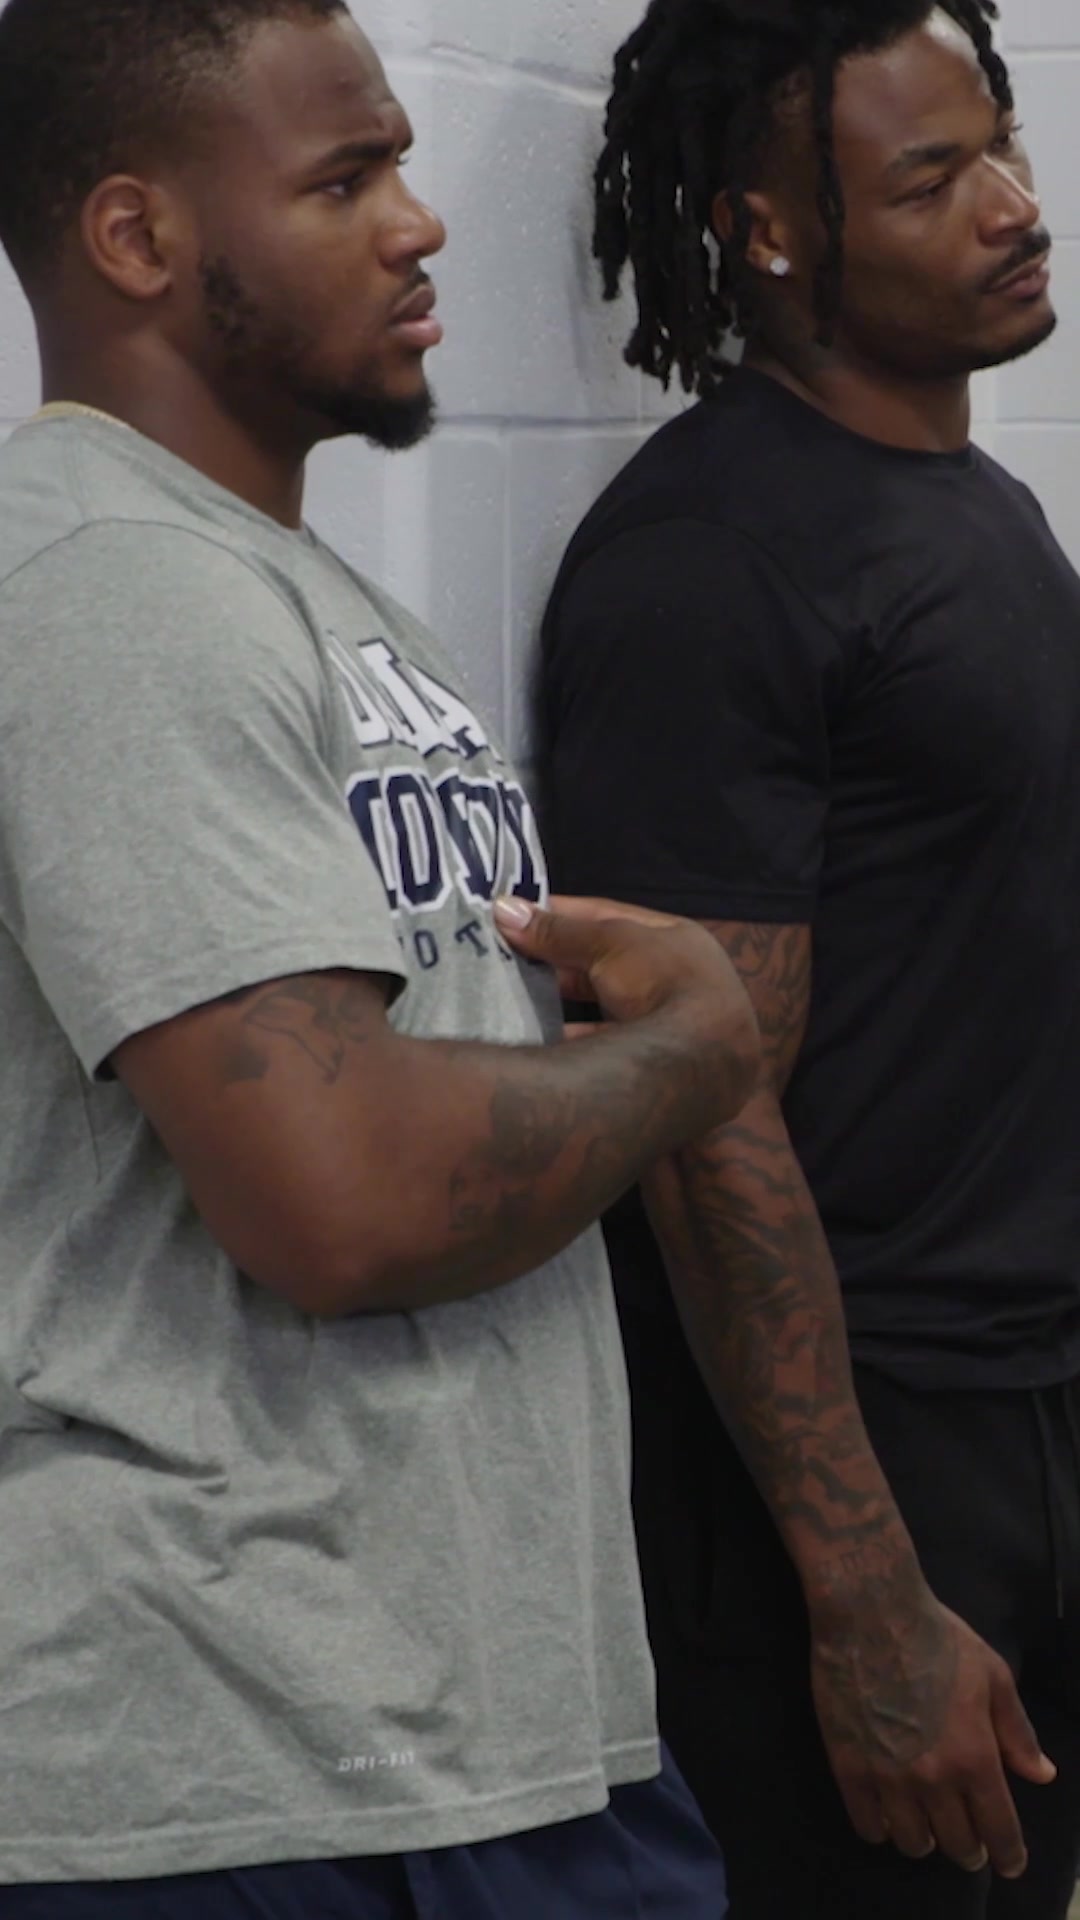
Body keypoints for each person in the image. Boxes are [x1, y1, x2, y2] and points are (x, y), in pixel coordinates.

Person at [0, 2, 765, 1914]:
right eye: (346, 181)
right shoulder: (115, 586)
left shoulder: (295, 594)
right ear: (136, 237)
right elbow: (342, 1195)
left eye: (405, 167)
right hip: (241, 1752)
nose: (419, 226)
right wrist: (691, 1050)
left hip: (451, 1726)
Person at [538, 1, 1080, 1916]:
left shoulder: (973, 508)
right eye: (931, 180)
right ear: (764, 232)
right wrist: (866, 1595)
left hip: (1018, 1405)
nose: (1014, 206)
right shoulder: (713, 561)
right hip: (862, 1459)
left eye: (1002, 143)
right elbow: (701, 1119)